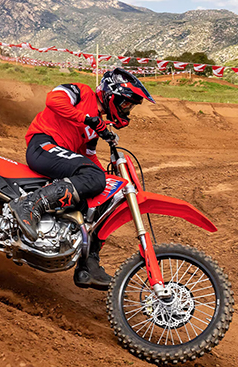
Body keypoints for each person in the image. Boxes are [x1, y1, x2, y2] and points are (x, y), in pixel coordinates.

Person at [10, 68, 155, 289]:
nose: (128, 109)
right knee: (94, 177)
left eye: (130, 106)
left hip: (60, 154)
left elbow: (89, 157)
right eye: (126, 103)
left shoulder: (95, 130)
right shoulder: (82, 92)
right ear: (112, 96)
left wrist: (111, 180)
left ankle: (88, 263)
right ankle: (30, 204)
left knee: (104, 190)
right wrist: (88, 118)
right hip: (43, 144)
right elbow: (53, 100)